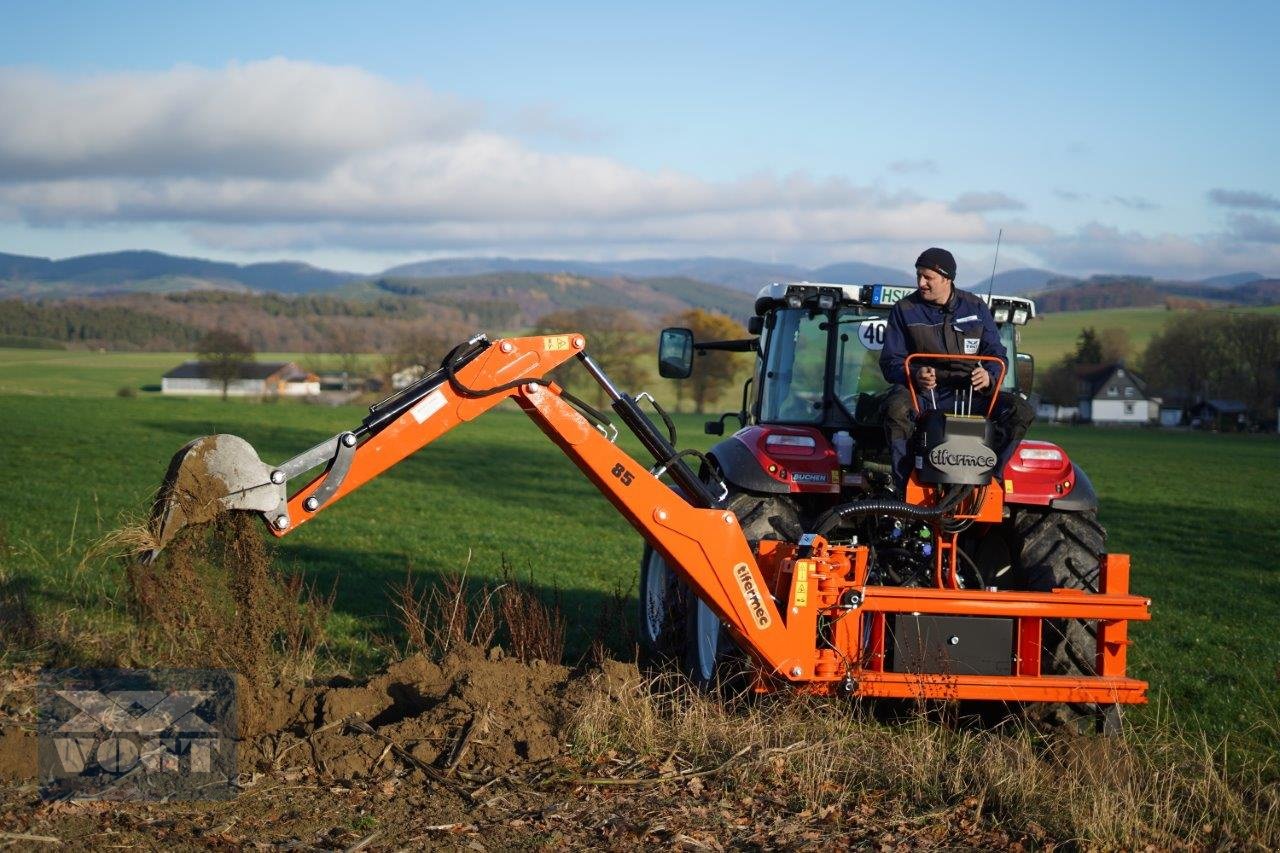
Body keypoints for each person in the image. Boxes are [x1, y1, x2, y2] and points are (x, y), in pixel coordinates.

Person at [878, 247, 1034, 489]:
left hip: (971, 395)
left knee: (1020, 410)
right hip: (924, 395)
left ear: (947, 278)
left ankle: (990, 480)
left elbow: (997, 354)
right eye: (918, 275)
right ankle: (906, 485)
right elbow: (890, 361)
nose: (921, 283)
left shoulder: (975, 307)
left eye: (928, 277)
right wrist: (916, 374)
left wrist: (989, 376)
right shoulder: (904, 309)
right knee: (895, 407)